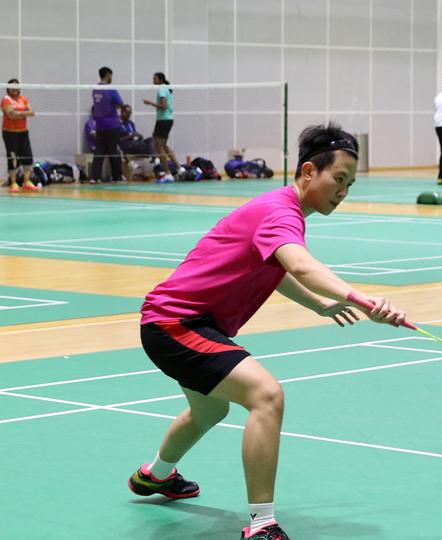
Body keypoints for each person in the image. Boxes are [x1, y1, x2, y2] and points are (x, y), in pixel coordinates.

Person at [128, 123, 407, 540]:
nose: (343, 191)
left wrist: (319, 304)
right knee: (266, 395)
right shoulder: (280, 212)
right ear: (309, 171)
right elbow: (300, 265)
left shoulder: (279, 211)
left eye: (350, 183)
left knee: (210, 410)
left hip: (182, 323)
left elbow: (271, 267)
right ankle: (261, 525)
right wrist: (366, 301)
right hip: (176, 323)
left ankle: (155, 475)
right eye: (338, 179)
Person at [2, 78, 39, 193]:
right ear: (8, 88)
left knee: (27, 156)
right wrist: (24, 113)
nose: (15, 89)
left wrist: (18, 113)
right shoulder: (6, 99)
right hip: (10, 133)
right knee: (13, 158)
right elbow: (11, 114)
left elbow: (32, 112)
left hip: (23, 132)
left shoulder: (23, 99)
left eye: (17, 86)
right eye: (12, 87)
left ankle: (26, 181)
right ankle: (13, 183)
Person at [143, 72, 179, 182]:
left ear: (160, 79)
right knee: (165, 146)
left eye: (154, 78)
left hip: (163, 120)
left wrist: (150, 103)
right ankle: (179, 168)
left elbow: (163, 106)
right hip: (168, 120)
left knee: (159, 148)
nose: (153, 80)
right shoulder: (165, 88)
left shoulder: (162, 88)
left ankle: (168, 173)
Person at [91, 66, 124, 183]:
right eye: (111, 75)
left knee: (99, 152)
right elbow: (121, 103)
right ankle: (117, 176)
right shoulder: (111, 89)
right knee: (113, 151)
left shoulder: (95, 89)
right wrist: (114, 108)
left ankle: (95, 177)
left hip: (99, 125)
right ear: (108, 75)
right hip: (112, 125)